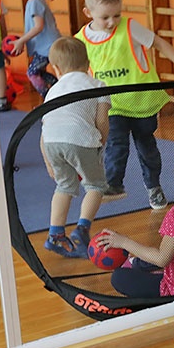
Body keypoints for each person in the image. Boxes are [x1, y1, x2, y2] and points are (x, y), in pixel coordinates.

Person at [75, 0, 174, 210]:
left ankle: (154, 187)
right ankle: (114, 184)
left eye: (116, 15)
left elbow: (160, 44)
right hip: (112, 105)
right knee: (116, 143)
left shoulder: (130, 28)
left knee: (147, 148)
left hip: (142, 102)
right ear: (88, 12)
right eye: (105, 17)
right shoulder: (80, 41)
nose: (112, 21)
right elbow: (74, 71)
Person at [98, 148, 174, 297]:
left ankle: (138, 264)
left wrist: (124, 242)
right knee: (165, 252)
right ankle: (139, 263)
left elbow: (162, 259)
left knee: (119, 277)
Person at [40, 37, 110, 258]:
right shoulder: (97, 85)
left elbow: (46, 127)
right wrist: (101, 143)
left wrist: (48, 161)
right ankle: (81, 229)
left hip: (51, 142)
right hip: (80, 139)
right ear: (88, 63)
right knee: (96, 185)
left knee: (64, 186)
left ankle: (55, 235)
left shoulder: (52, 90)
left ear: (56, 69)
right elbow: (102, 121)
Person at [11, 0, 60, 98]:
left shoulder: (34, 3)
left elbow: (38, 26)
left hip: (48, 47)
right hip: (48, 46)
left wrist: (21, 40)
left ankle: (50, 98)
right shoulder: (36, 1)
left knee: (32, 73)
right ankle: (58, 91)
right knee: (39, 72)